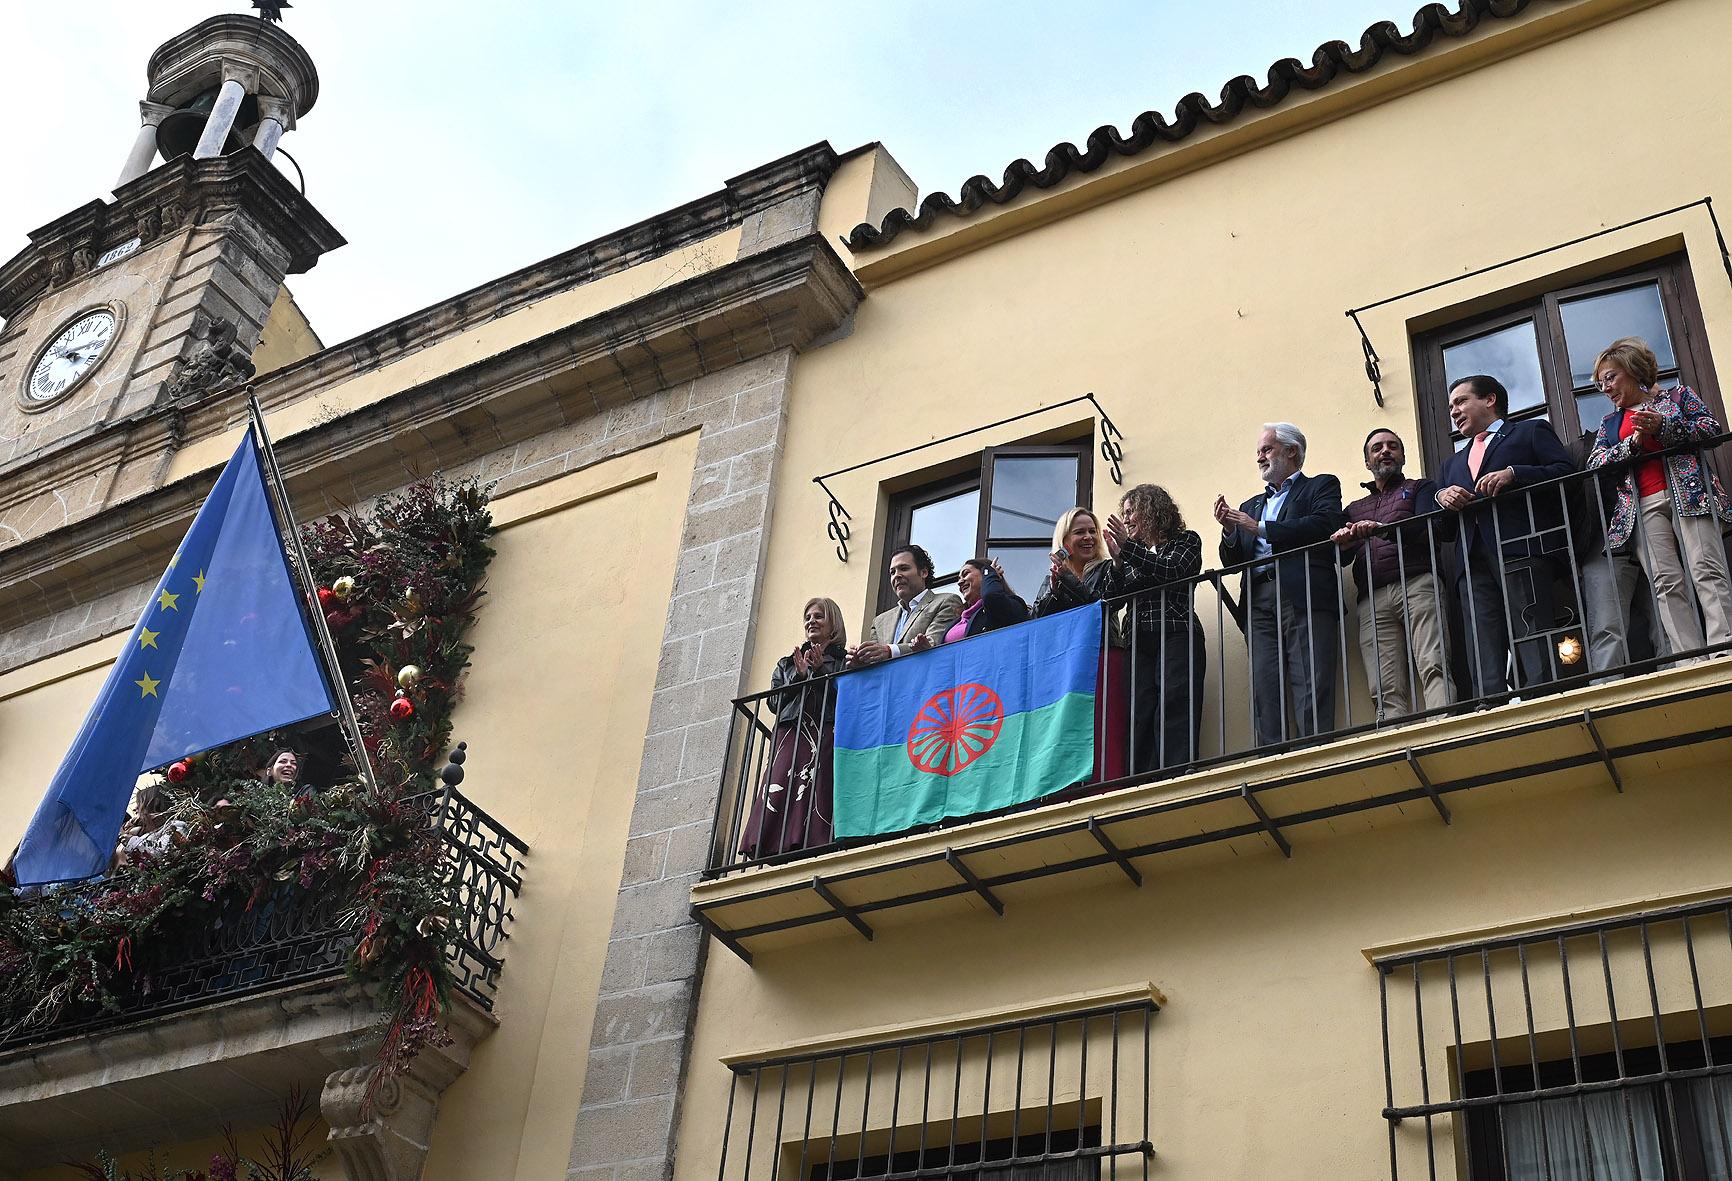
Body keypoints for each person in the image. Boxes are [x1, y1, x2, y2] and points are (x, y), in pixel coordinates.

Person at [1586, 337, 1732, 659]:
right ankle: (1689, 658)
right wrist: (1632, 446)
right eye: (1600, 383)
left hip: (1690, 494)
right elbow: (1595, 463)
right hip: (1643, 506)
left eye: (1610, 377)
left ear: (1632, 368)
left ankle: (1724, 649)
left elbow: (1711, 430)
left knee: (1706, 568)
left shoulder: (1677, 397)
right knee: (1665, 583)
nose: (1606, 388)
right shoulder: (1609, 423)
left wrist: (1664, 426)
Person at [1436, 375, 1575, 697]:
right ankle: (1491, 704)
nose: (1454, 412)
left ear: (1490, 400)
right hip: (1471, 559)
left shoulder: (1529, 431)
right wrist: (1441, 497)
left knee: (1530, 625)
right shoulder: (1451, 464)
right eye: (1450, 407)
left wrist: (1516, 473)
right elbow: (1444, 526)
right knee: (1481, 636)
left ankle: (1543, 696)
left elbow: (1566, 473)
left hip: (1519, 547)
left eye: (1461, 401)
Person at [1215, 423, 1346, 747]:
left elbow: (1324, 524)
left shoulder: (1321, 486)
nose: (1260, 456)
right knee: (1263, 685)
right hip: (1258, 599)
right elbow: (1233, 563)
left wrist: (1260, 528)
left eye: (1267, 449)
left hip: (1302, 594)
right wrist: (1231, 532)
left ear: (1292, 451)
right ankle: (1270, 760)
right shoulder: (1249, 506)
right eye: (1258, 451)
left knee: (1311, 681)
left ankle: (1313, 756)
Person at [1332, 428, 1453, 719]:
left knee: (1433, 662)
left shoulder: (1420, 488)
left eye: (1392, 446)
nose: (1385, 451)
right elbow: (1343, 557)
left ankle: (1445, 727)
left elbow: (1431, 529)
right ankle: (1394, 741)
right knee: (1383, 685)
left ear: (1402, 455)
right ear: (1367, 461)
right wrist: (1344, 541)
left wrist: (1383, 530)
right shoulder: (1353, 509)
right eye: (1377, 448)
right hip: (1372, 598)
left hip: (1418, 583)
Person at [1102, 484, 1205, 773]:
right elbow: (1110, 599)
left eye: (1131, 512)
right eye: (1124, 513)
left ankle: (1174, 772)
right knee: (1139, 711)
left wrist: (1131, 551)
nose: (1126, 519)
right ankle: (1141, 779)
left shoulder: (1185, 541)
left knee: (1175, 700)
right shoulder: (1132, 556)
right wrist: (1118, 562)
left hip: (1176, 631)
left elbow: (1172, 570)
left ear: (1152, 510)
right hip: (1137, 639)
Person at [740, 597, 849, 858]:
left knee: (816, 785)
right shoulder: (787, 663)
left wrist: (821, 668)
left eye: (819, 616)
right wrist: (797, 677)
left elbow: (844, 698)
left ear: (833, 624)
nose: (811, 620)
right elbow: (774, 703)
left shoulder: (843, 661)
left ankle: (810, 843)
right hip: (792, 732)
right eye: (808, 617)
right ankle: (771, 845)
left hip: (823, 731)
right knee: (781, 784)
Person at [1033, 507, 1128, 782]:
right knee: (1070, 726)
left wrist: (1067, 580)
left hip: (1102, 654)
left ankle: (1104, 783)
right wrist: (1053, 588)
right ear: (1064, 541)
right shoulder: (1052, 577)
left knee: (1102, 724)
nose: (1088, 537)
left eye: (1092, 531)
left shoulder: (1107, 568)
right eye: (1079, 532)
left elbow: (1101, 604)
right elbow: (1038, 618)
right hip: (1066, 664)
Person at [849, 545, 962, 667]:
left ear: (924, 572)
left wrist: (890, 651)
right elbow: (874, 661)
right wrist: (861, 660)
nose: (896, 575)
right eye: (893, 572)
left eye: (903, 568)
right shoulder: (879, 621)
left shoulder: (946, 601)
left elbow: (933, 644)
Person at [944, 558, 1029, 642]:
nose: (959, 582)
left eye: (966, 574)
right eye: (959, 578)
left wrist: (989, 572)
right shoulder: (957, 621)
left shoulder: (1009, 605)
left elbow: (991, 597)